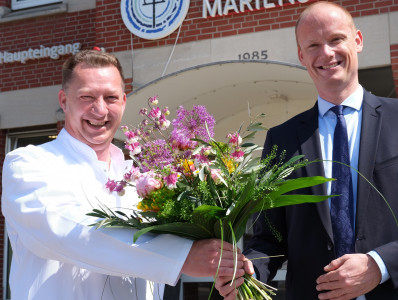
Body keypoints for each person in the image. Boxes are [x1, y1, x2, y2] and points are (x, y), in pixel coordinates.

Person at [215, 2, 398, 300]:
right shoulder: (282, 138)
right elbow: (270, 239)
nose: (326, 53)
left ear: (358, 41)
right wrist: (248, 272)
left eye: (336, 39)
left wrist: (379, 265)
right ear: (302, 56)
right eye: (313, 45)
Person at [1, 49, 252, 300]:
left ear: (123, 101)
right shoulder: (29, 164)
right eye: (87, 97)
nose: (100, 110)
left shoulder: (142, 178)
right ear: (64, 101)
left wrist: (227, 265)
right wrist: (182, 256)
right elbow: (65, 230)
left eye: (110, 98)